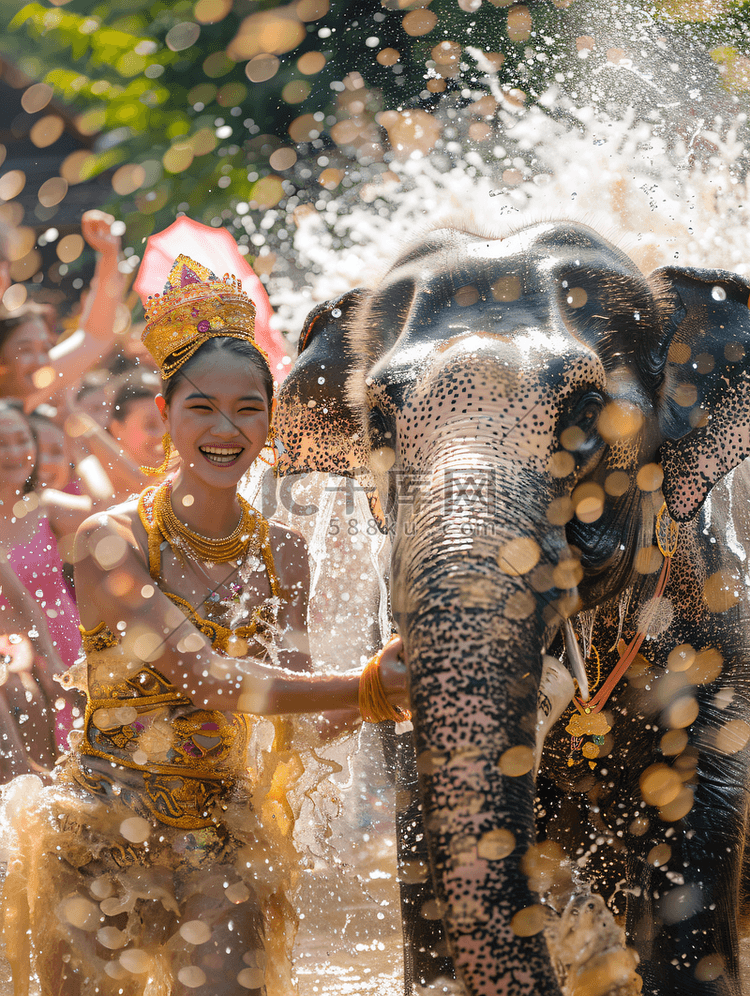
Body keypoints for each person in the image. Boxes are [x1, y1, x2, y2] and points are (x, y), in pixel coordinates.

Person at [0, 254, 407, 996]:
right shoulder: (111, 539)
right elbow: (210, 678)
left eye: (249, 408)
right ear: (164, 414)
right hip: (100, 836)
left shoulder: (285, 554)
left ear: (271, 419)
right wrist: (370, 683)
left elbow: (292, 719)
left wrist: (400, 687)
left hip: (222, 838)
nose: (227, 430)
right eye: (202, 408)